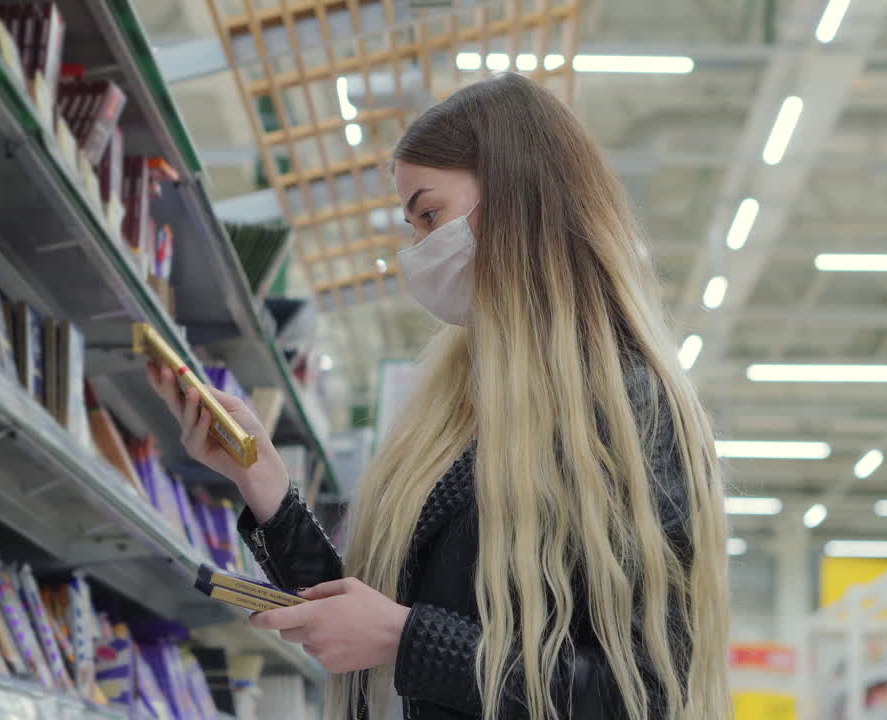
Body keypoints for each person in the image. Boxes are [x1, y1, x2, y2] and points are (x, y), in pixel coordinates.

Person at [147, 72, 729, 720]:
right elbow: (369, 614)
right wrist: (265, 485)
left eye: (429, 215)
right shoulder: (458, 407)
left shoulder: (629, 413)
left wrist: (406, 637)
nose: (417, 249)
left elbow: (640, 694)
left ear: (518, 198)